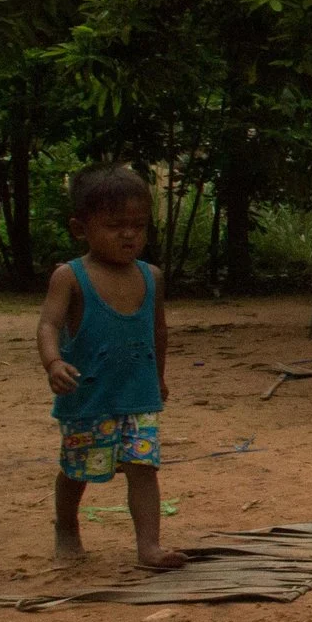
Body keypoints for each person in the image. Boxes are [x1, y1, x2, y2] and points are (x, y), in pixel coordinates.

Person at [39, 165, 183, 571]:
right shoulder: (70, 277)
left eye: (138, 225)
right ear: (80, 228)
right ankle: (66, 526)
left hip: (137, 395)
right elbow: (48, 323)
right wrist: (53, 362)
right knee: (78, 469)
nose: (129, 234)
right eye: (115, 225)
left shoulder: (151, 277)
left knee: (143, 466)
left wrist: (158, 379)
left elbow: (159, 333)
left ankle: (149, 547)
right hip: (89, 397)